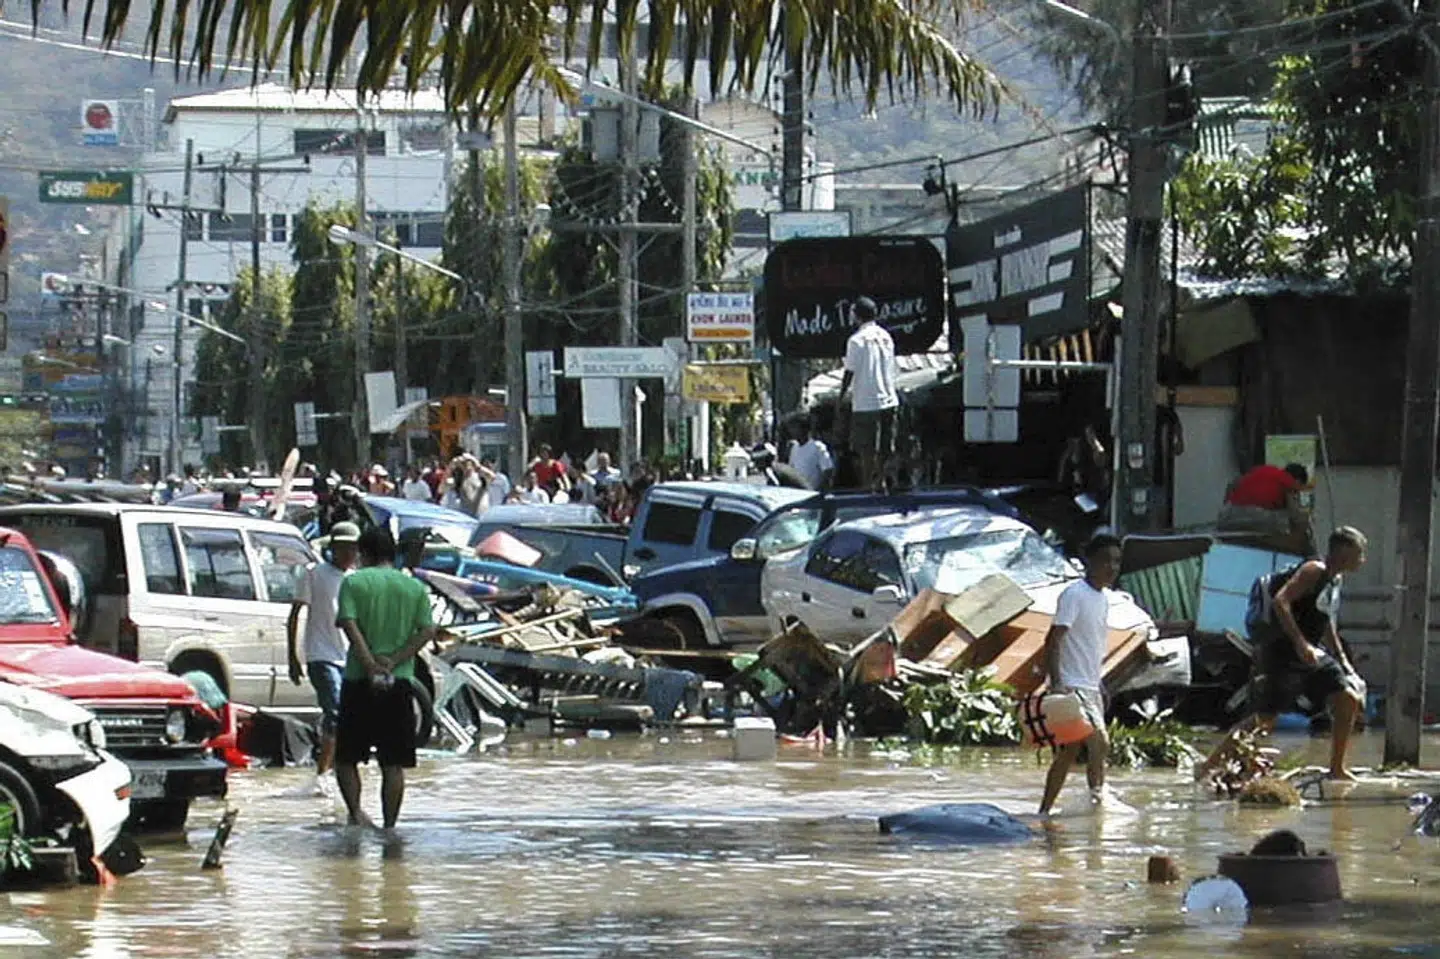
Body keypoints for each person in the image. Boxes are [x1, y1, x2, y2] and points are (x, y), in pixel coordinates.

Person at [1198, 526, 1369, 783]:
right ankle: (1207, 767)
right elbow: (1281, 601)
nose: (1362, 559)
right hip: (1284, 652)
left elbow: (1326, 622)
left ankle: (1337, 768)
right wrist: (1300, 643)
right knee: (1264, 719)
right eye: (1359, 554)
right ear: (1343, 553)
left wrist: (1344, 661)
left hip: (1313, 653)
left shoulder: (1335, 579)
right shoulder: (1314, 570)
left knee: (1347, 698)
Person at [334, 526, 437, 831]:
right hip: (399, 683)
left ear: (363, 554)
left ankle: (356, 814)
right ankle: (390, 827)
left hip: (358, 680)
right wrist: (395, 660)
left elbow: (348, 624)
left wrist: (368, 662)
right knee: (393, 763)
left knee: (347, 757)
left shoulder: (353, 583)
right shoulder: (415, 588)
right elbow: (428, 631)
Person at [1038, 534, 1122, 817]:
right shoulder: (1074, 594)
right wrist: (1057, 683)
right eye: (1106, 560)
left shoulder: (1103, 599)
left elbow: (1090, 645)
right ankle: (1097, 805)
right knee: (1100, 742)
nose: (1111, 567)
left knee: (1071, 750)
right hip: (1072, 686)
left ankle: (1046, 811)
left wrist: (1099, 684)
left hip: (1090, 685)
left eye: (1116, 561)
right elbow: (1053, 640)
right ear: (1090, 562)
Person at [286, 520, 360, 783]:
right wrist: (292, 657)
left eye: (354, 549)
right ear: (334, 549)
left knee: (343, 717)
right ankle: (324, 774)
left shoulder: (354, 580)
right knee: (336, 713)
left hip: (348, 657)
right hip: (321, 655)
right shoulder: (314, 574)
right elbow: (295, 614)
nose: (350, 554)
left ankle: (331, 770)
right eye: (345, 548)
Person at [839, 296, 899, 491]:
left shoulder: (856, 340)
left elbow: (849, 371)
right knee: (884, 446)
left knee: (866, 448)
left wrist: (841, 396)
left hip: (866, 401)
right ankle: (880, 480)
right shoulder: (886, 337)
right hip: (889, 398)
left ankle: (868, 485)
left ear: (857, 315)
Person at [1219, 462, 1311, 548]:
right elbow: (1295, 516)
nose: (1298, 492)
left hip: (1228, 516)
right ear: (1298, 481)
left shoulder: (1262, 470)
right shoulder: (1288, 482)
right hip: (1254, 519)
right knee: (1284, 524)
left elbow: (1232, 485)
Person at [788, 420, 835, 491]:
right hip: (797, 493)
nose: (793, 431)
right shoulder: (794, 448)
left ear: (805, 430)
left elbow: (828, 470)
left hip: (813, 495)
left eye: (796, 428)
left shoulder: (817, 447)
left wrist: (818, 490)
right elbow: (791, 469)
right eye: (792, 428)